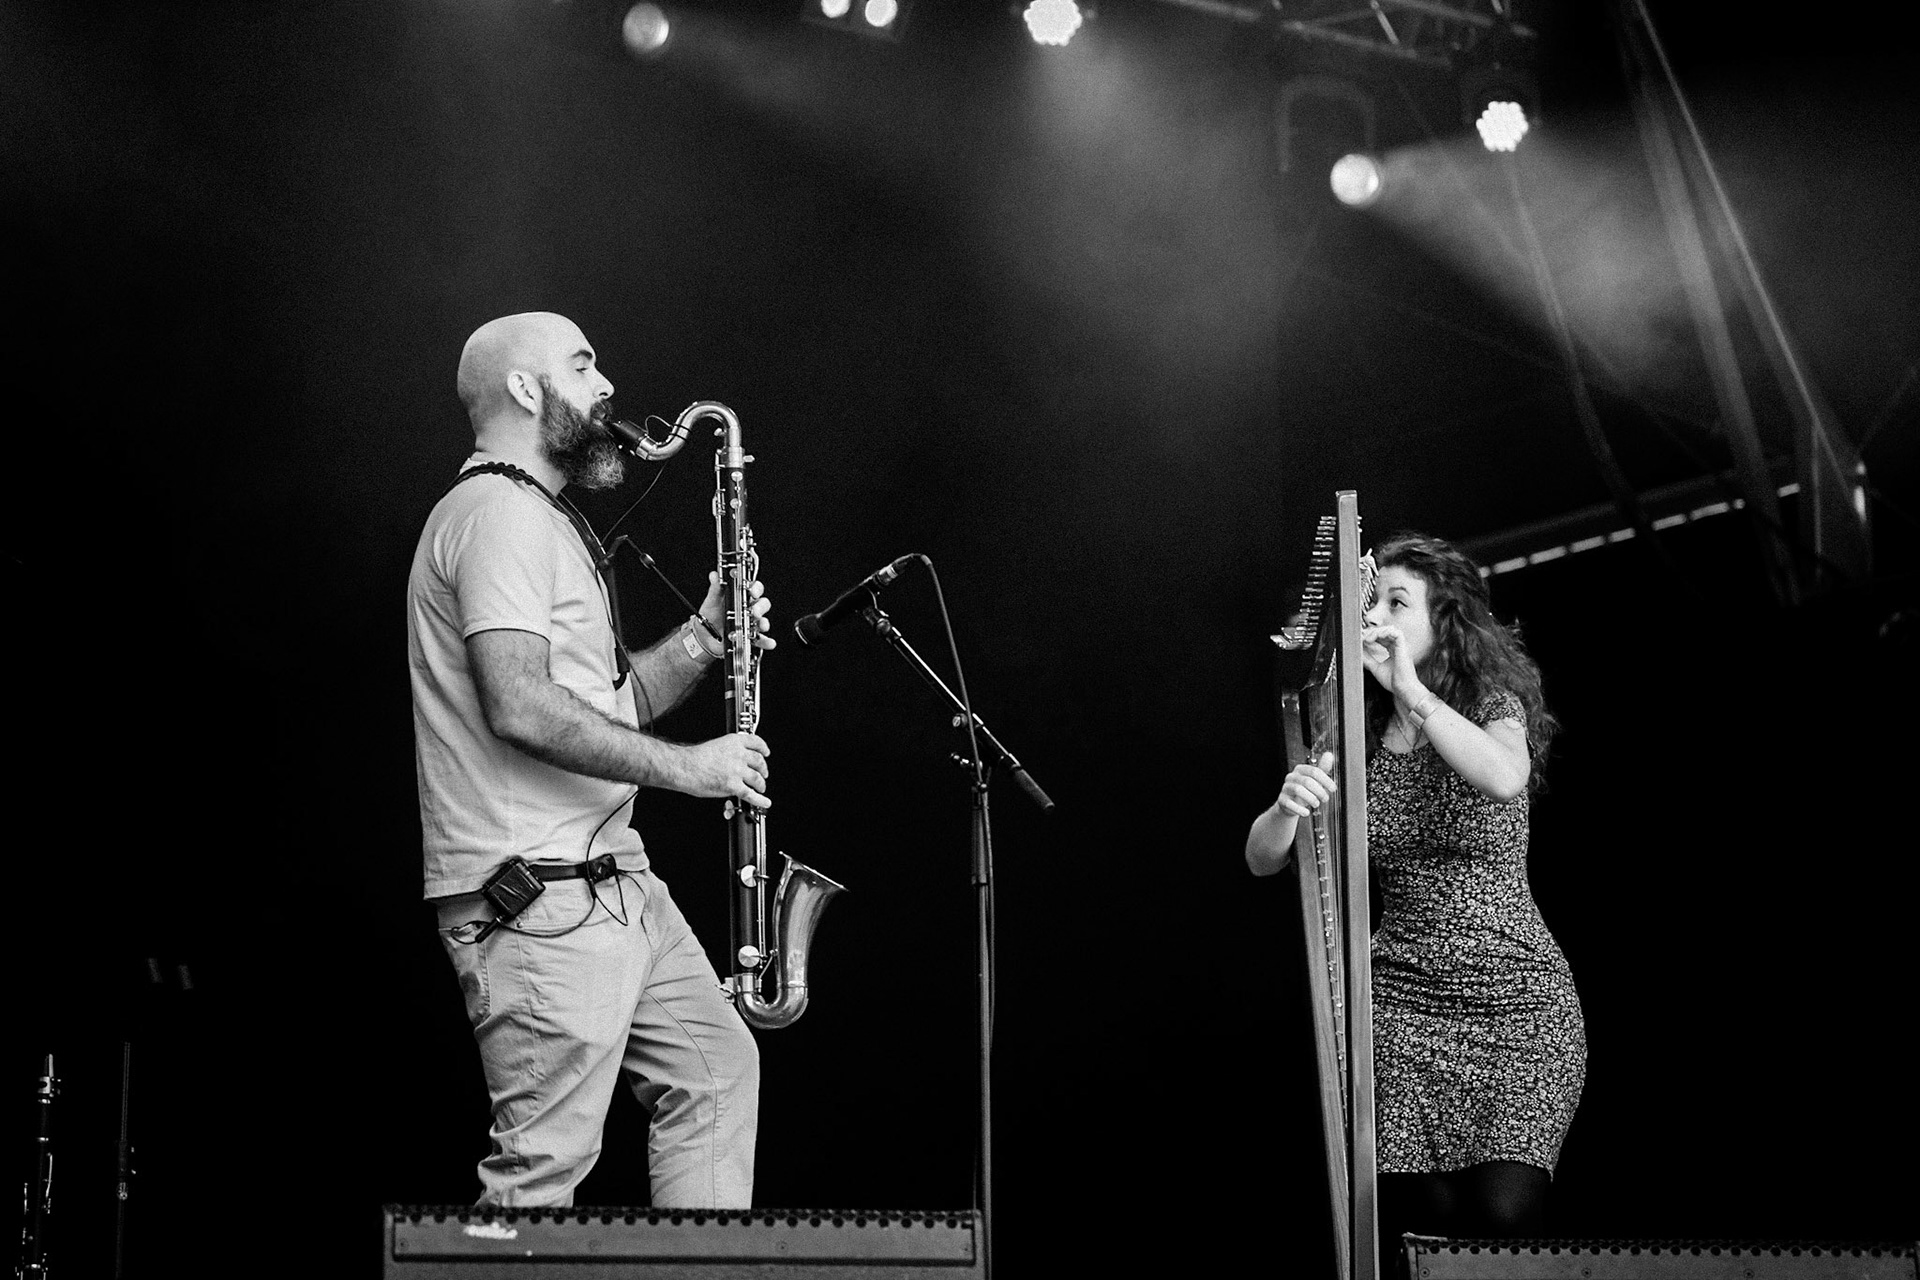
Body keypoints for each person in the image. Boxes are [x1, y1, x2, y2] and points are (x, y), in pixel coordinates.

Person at [407, 311, 775, 1209]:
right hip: (541, 895)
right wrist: (697, 769)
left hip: (611, 881)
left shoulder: (534, 517)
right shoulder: (494, 513)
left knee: (717, 1072)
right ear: (527, 391)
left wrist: (704, 636)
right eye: (583, 365)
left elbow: (601, 708)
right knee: (541, 1172)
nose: (607, 384)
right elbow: (521, 705)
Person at [1246, 533, 1585, 1240]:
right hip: (1401, 1004)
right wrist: (1284, 808)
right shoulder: (1352, 735)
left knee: (1504, 1214)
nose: (1378, 618)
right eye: (1371, 604)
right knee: (1420, 1222)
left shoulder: (1491, 705)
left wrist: (1409, 687)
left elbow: (1503, 776)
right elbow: (1263, 859)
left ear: (1444, 620)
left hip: (1517, 1003)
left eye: (1397, 602)